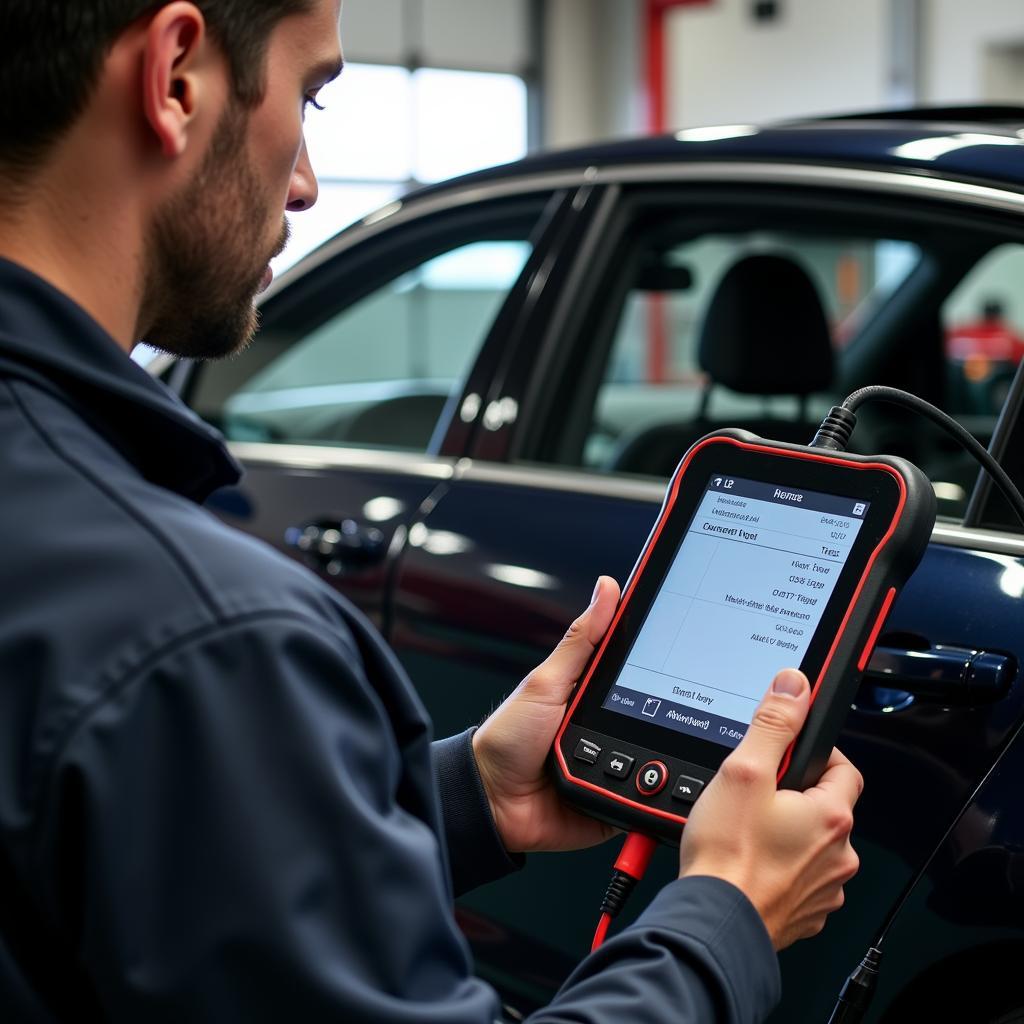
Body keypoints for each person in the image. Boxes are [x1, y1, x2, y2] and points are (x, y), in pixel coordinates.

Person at [0, 1, 862, 1021]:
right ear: (177, 75)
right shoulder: (205, 642)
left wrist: (467, 801)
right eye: (310, 94)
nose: (312, 181)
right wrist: (727, 918)